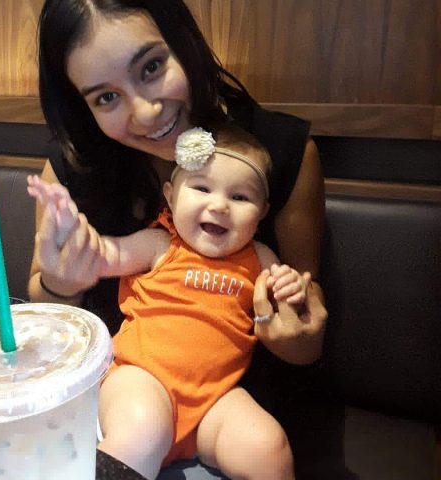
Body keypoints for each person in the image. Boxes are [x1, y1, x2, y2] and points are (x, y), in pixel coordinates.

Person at [30, 0, 328, 476]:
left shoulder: (279, 153)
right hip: (122, 396)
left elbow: (305, 325)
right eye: (105, 98)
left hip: (225, 403)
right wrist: (63, 281)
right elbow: (43, 300)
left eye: (151, 67)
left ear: (184, 43)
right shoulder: (75, 166)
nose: (146, 112)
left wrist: (295, 331)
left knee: (268, 448)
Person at [28, 125, 310, 479]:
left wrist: (291, 289)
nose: (219, 205)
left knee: (268, 446)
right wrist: (69, 228)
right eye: (202, 188)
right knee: (143, 429)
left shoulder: (261, 259)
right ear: (171, 197)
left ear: (262, 212)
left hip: (216, 400)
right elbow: (104, 254)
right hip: (140, 379)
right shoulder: (161, 244)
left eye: (240, 197)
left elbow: (286, 306)